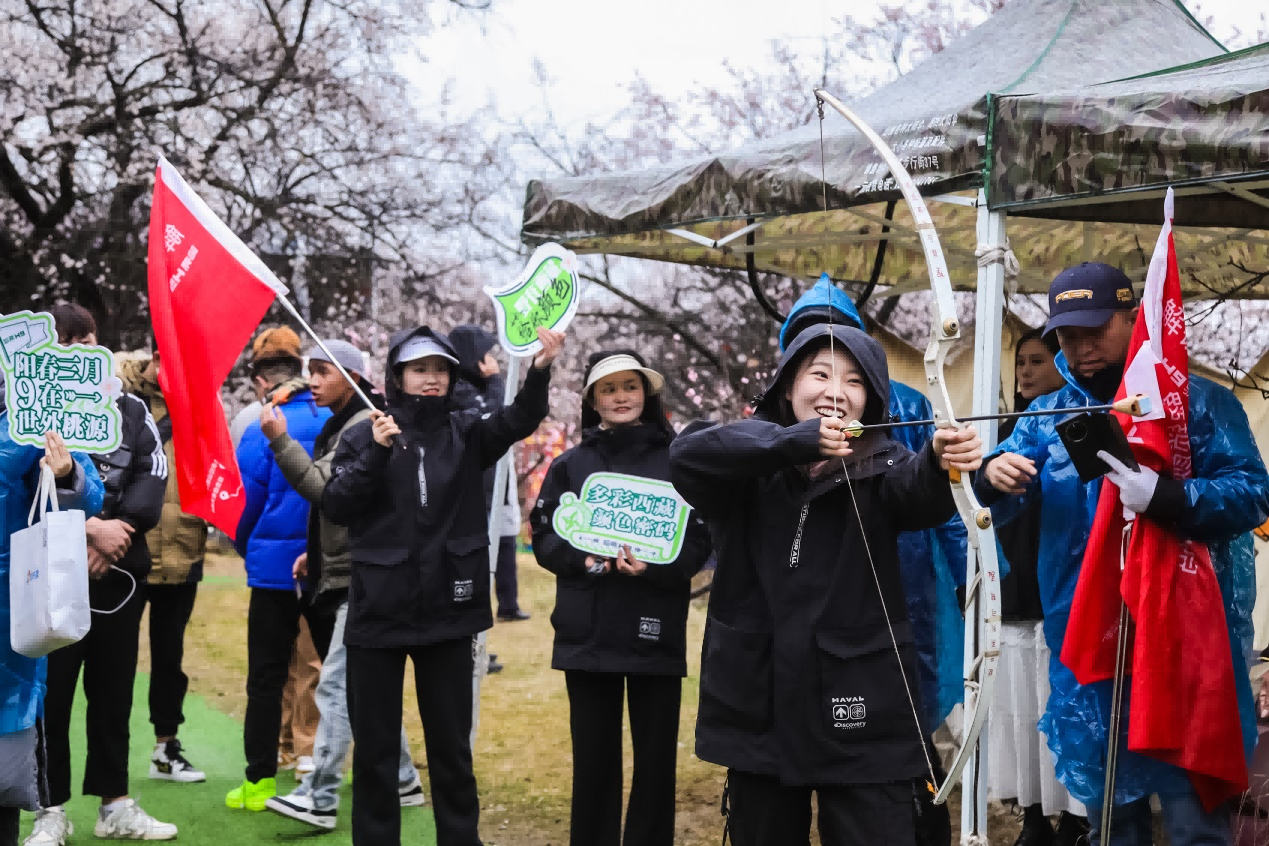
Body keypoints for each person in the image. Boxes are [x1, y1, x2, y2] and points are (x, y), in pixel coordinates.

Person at [977, 262, 1269, 846]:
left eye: (1095, 330)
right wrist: (990, 475)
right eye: (1067, 335)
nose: (1082, 348)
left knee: (1194, 820)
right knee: (1111, 822)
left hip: (1186, 646)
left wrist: (1167, 496)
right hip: (1090, 644)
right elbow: (994, 498)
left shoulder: (1201, 406)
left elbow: (1253, 492)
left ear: (1132, 318)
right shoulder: (1048, 417)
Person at [668, 323, 983, 846]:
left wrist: (940, 461)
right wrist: (792, 444)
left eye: (855, 382)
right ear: (788, 386)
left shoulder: (886, 465)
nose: (835, 391)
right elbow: (686, 457)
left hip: (863, 706)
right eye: (819, 374)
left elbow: (919, 491)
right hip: (760, 704)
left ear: (871, 403)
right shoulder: (746, 462)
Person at [324, 326, 563, 846]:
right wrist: (378, 453)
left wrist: (541, 368)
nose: (430, 379)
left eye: (439, 370)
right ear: (398, 376)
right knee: (376, 753)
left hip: (451, 612)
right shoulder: (367, 432)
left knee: (452, 751)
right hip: (378, 613)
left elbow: (519, 418)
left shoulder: (467, 430)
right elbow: (338, 504)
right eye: (418, 369)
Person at [531, 350, 712, 846]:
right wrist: (587, 562)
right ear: (592, 400)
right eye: (608, 389)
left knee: (655, 762)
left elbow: (698, 538)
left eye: (630, 386)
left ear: (647, 394)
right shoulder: (570, 466)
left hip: (655, 626)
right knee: (593, 761)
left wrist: (658, 568)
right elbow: (545, 536)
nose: (620, 397)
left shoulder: (681, 463)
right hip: (586, 633)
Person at [779, 277, 967, 741]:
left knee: (905, 686)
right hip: (820, 574)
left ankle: (916, 797)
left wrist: (972, 574)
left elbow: (934, 492)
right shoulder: (782, 413)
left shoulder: (904, 403)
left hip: (905, 562)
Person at [261, 339, 425, 831]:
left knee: (336, 681)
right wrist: (320, 550)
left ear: (351, 376)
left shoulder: (361, 423)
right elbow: (351, 504)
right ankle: (402, 780)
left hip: (366, 574)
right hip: (353, 565)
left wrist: (279, 440)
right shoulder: (348, 422)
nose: (312, 381)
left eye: (323, 371)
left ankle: (321, 794)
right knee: (360, 683)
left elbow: (324, 490)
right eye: (309, 370)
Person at [32, 305, 174, 844]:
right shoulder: (29, 409)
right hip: (50, 576)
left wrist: (116, 535)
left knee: (113, 693)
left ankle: (115, 803)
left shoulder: (132, 408)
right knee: (51, 696)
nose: (74, 352)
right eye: (61, 343)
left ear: (98, 342)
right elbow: (24, 483)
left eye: (82, 340)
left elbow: (150, 475)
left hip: (120, 575)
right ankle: (51, 810)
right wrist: (87, 528)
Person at [985, 328, 1088, 846]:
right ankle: (1031, 813)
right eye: (1019, 362)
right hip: (1014, 594)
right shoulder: (1004, 436)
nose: (1025, 371)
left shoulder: (1082, 429)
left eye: (1037, 361)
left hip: (1065, 599)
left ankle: (1073, 816)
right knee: (1018, 710)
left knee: (1061, 708)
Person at [226, 330, 331, 812]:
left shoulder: (259, 429)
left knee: (266, 676)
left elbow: (243, 505)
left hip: (272, 571)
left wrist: (245, 546)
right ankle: (326, 767)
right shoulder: (336, 419)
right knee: (330, 669)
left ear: (264, 379)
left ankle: (258, 781)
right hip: (327, 568)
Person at [1, 409, 103, 846]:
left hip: (9, 611)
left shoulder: (28, 417)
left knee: (3, 774)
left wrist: (67, 473)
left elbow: (91, 495)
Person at [117, 350, 210, 785]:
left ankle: (166, 746)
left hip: (182, 546)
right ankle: (108, 754)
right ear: (154, 357)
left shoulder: (196, 408)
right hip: (127, 551)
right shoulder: (118, 399)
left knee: (170, 655)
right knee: (113, 657)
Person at [450, 324, 529, 625]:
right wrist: (496, 381)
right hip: (473, 488)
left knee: (505, 539)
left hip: (494, 480)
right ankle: (476, 632)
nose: (489, 360)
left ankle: (506, 605)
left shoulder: (474, 386)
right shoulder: (458, 388)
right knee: (475, 559)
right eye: (483, 353)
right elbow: (497, 416)